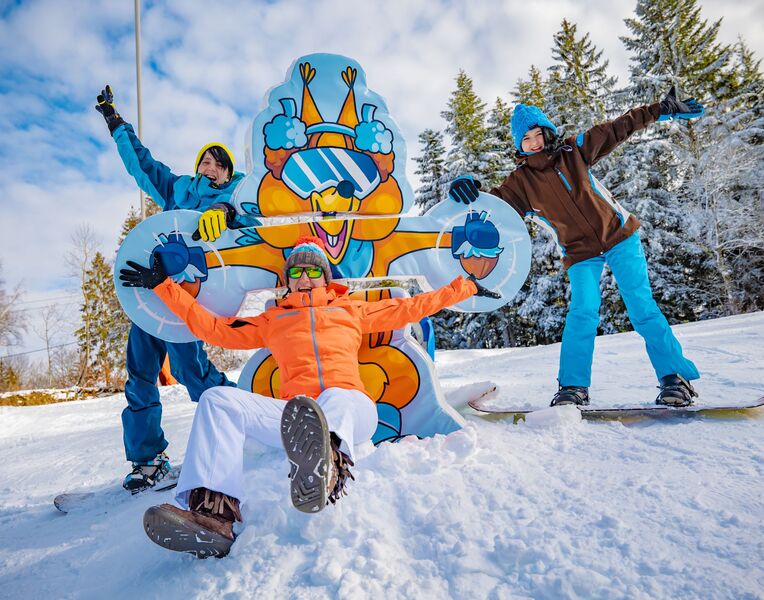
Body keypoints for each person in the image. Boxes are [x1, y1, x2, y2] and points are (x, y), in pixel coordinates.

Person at [119, 236, 493, 558]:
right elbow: (214, 329)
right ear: (285, 282)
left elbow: (412, 306)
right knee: (218, 400)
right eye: (295, 272)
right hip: (294, 417)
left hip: (352, 411)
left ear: (325, 278)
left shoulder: (352, 309)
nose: (303, 278)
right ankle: (213, 516)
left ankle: (325, 464)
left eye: (313, 271)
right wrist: (164, 286)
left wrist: (468, 286)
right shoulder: (273, 319)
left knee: (337, 397)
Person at [448, 87, 704, 408]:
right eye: (525, 139)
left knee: (642, 308)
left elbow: (619, 127)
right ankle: (572, 387)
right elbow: (493, 209)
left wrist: (661, 109)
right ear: (519, 145)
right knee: (582, 312)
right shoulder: (521, 183)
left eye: (537, 134)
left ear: (547, 131)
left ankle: (675, 378)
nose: (533, 142)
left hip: (620, 235)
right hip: (579, 252)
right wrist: (471, 192)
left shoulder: (575, 151)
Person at [95, 85, 260, 492]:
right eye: (205, 159)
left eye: (218, 162)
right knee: (139, 375)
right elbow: (144, 166)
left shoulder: (238, 199)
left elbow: (255, 236)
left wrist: (226, 213)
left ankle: (251, 423)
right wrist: (116, 123)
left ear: (228, 172)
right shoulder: (179, 190)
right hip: (152, 297)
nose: (210, 165)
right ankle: (147, 459)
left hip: (190, 303)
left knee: (191, 372)